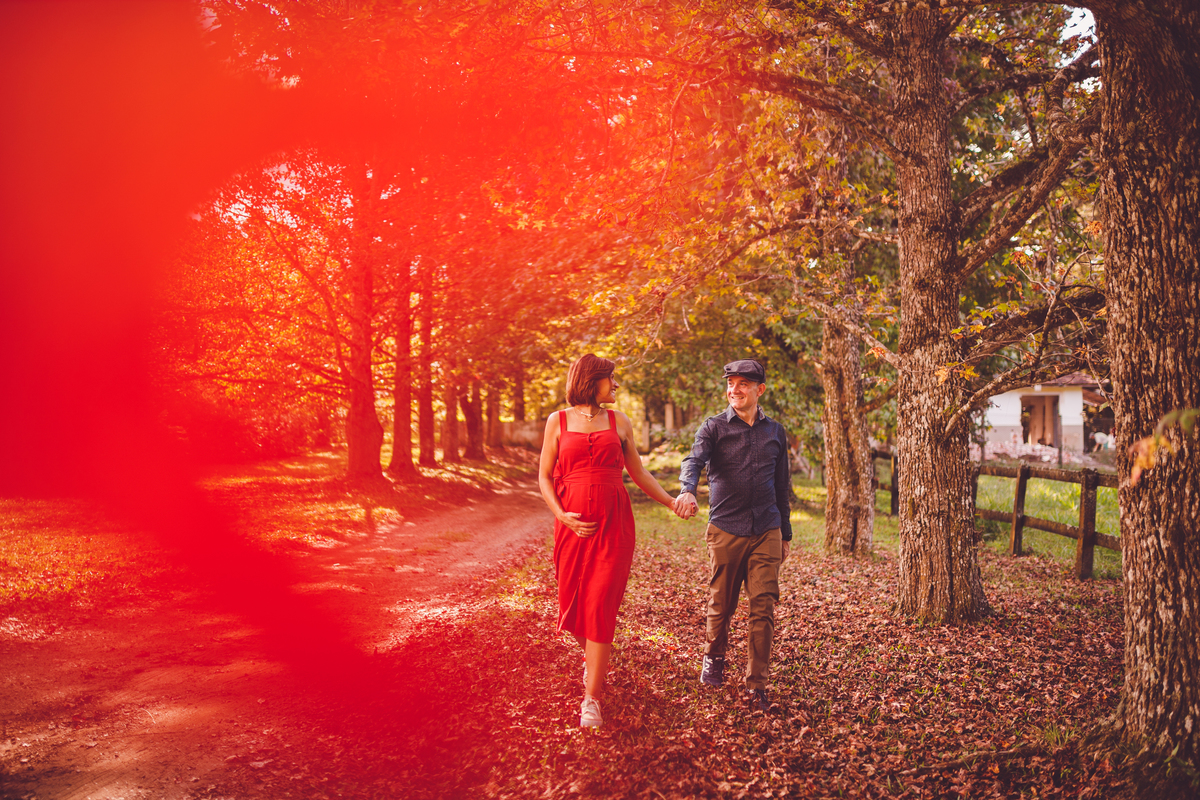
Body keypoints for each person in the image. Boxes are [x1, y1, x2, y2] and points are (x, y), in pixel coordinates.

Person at [538, 353, 679, 729]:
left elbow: (639, 472)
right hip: (571, 529)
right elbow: (544, 477)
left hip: (613, 526)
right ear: (591, 380)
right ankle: (595, 660)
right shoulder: (557, 421)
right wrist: (561, 515)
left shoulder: (620, 422)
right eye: (611, 378)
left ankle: (592, 699)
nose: (616, 385)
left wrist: (670, 501)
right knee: (573, 605)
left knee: (600, 604)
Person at [674, 359, 792, 714]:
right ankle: (714, 657)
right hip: (726, 528)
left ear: (760, 390)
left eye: (743, 383)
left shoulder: (776, 432)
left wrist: (785, 533)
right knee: (722, 603)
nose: (734, 390)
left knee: (763, 607)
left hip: (767, 529)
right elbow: (693, 461)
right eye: (730, 383)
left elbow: (782, 485)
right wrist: (688, 489)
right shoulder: (713, 428)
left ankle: (757, 683)